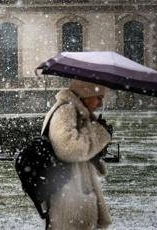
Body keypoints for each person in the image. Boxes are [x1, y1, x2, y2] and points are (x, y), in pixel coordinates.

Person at [41, 79, 112, 229]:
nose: (100, 104)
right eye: (98, 98)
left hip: (73, 195)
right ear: (85, 95)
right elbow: (69, 149)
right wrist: (99, 134)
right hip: (70, 199)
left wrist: (96, 141)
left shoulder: (76, 112)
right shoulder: (65, 111)